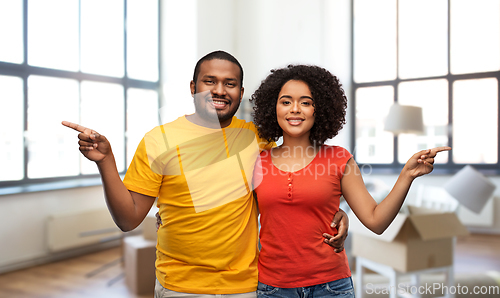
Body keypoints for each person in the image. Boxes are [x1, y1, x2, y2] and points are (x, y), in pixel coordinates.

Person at [62, 51, 349, 297]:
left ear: (241, 91)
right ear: (193, 87)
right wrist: (106, 162)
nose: (219, 90)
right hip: (179, 286)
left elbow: (294, 186)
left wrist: (336, 213)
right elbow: (128, 219)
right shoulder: (158, 140)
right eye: (209, 81)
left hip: (245, 286)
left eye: (230, 83)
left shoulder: (258, 138)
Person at [250, 64, 451, 298]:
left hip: (331, 286)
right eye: (286, 101)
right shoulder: (257, 162)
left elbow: (376, 221)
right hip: (272, 287)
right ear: (273, 107)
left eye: (306, 102)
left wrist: (406, 175)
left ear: (320, 109)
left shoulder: (339, 158)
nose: (295, 109)